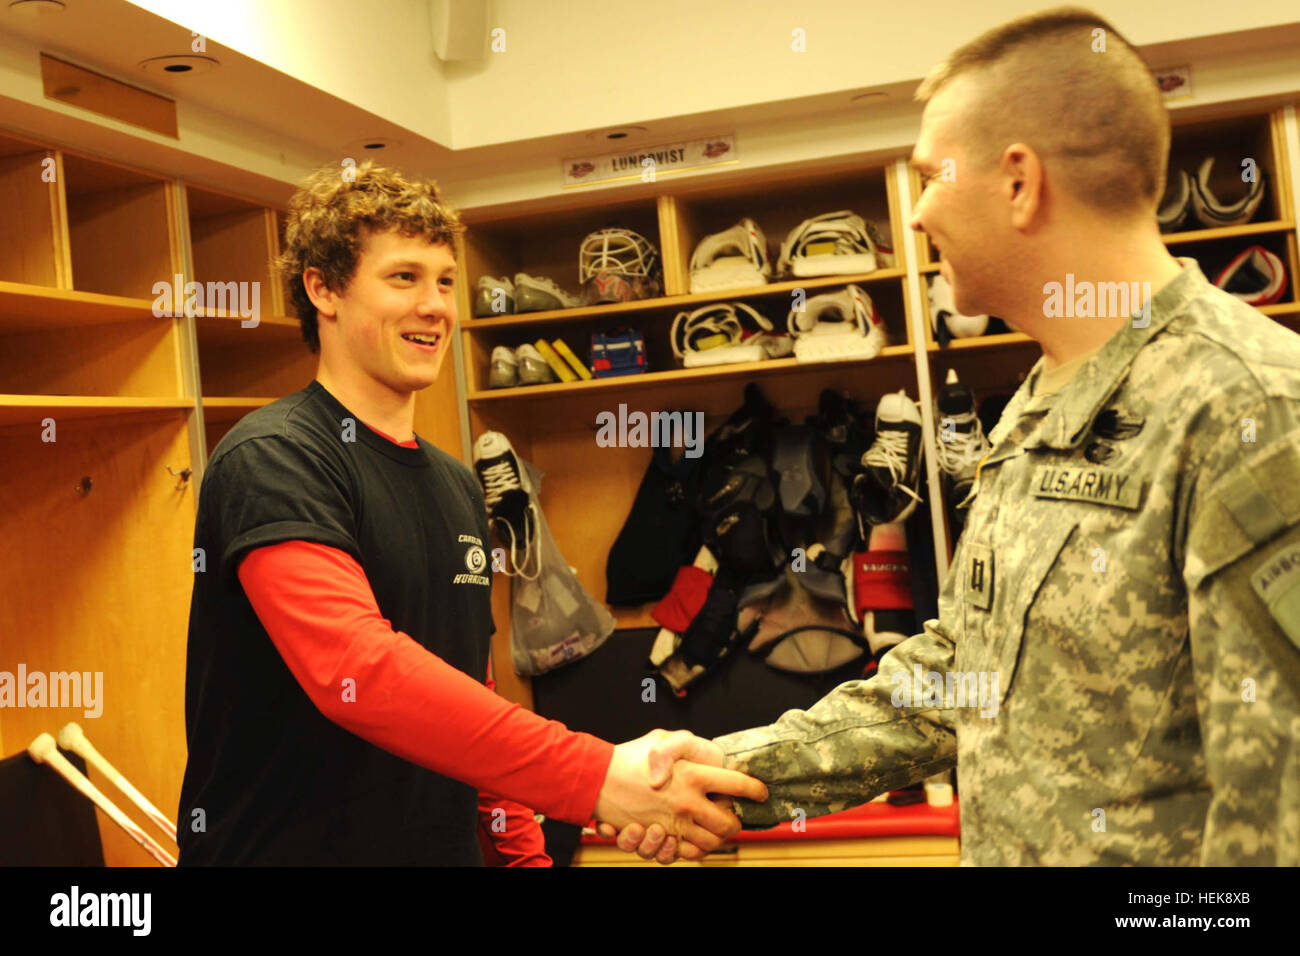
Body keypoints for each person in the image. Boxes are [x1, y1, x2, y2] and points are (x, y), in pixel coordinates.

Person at [604, 6, 1300, 865]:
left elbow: (1278, 818)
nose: (919, 215)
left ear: (1019, 182)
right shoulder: (1038, 407)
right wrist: (728, 771)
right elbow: (958, 676)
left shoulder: (1251, 406)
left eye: (932, 176)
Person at [176, 160, 766, 865]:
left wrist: (526, 858)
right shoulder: (275, 457)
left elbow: (470, 691)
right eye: (404, 277)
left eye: (445, 280)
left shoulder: (457, 484)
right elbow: (354, 670)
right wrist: (594, 777)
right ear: (323, 289)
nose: (435, 306)